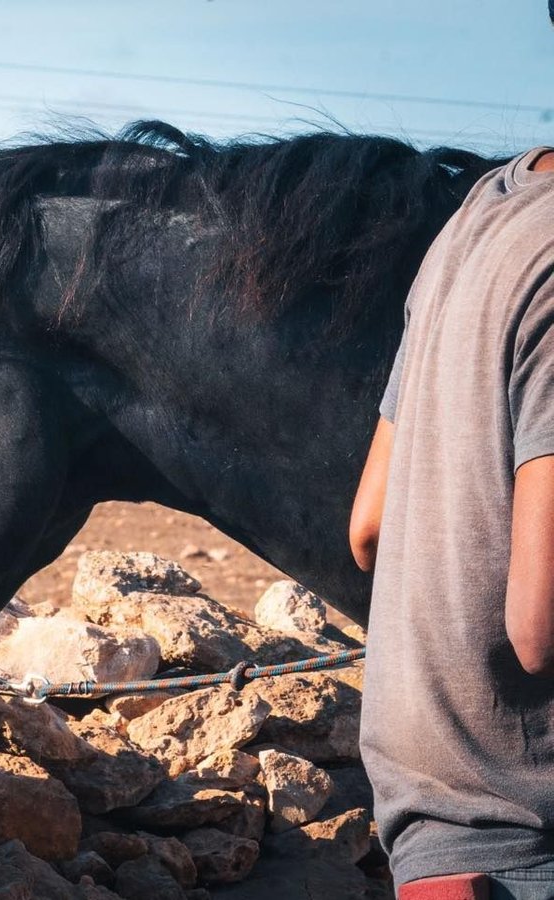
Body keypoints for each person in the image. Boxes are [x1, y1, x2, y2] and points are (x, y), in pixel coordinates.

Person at [349, 145, 554, 898]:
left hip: (426, 827)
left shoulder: (477, 217)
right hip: (531, 835)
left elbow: (367, 527)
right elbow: (541, 626)